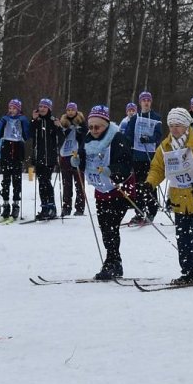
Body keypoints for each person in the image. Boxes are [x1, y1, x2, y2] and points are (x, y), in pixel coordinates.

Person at [146, 107, 193, 284]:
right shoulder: (165, 146)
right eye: (171, 125)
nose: (174, 129)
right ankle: (188, 271)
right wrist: (150, 183)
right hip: (180, 201)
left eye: (178, 125)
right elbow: (157, 169)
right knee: (183, 238)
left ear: (187, 125)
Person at [76, 105, 135, 279]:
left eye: (98, 127)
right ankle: (113, 262)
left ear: (106, 125)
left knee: (111, 226)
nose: (94, 130)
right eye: (91, 126)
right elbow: (82, 159)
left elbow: (126, 164)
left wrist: (113, 170)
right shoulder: (87, 139)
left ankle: (113, 262)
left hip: (120, 188)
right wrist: (76, 161)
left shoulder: (117, 138)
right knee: (105, 227)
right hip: (101, 189)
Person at [127, 91, 163, 222]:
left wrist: (149, 138)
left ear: (151, 102)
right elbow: (128, 136)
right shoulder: (134, 118)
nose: (146, 102)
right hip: (137, 156)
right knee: (138, 185)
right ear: (140, 102)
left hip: (151, 156)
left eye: (148, 100)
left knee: (150, 184)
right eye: (144, 100)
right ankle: (139, 211)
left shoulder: (156, 117)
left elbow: (159, 136)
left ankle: (152, 211)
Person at [0, 98, 30, 220]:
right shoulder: (6, 119)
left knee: (16, 178)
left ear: (18, 109)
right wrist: (2, 122)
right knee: (6, 178)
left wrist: (24, 122)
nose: (11, 110)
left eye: (14, 108)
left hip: (18, 147)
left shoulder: (22, 119)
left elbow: (26, 135)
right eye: (10, 108)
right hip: (6, 147)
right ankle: (5, 204)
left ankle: (16, 204)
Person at [30, 98, 62, 220]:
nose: (42, 109)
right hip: (39, 156)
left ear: (49, 108)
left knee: (46, 181)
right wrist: (33, 120)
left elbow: (61, 138)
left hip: (50, 157)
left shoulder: (53, 121)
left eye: (45, 107)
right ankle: (44, 207)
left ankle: (52, 207)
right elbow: (30, 134)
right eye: (40, 107)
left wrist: (58, 127)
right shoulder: (37, 121)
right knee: (41, 182)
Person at [56, 101, 86, 216]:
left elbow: (84, 138)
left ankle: (79, 207)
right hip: (65, 155)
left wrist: (81, 153)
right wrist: (61, 128)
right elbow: (59, 137)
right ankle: (66, 207)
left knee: (79, 183)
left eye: (72, 110)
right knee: (66, 184)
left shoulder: (81, 122)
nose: (70, 112)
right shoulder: (63, 122)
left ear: (76, 111)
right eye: (68, 110)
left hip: (76, 155)